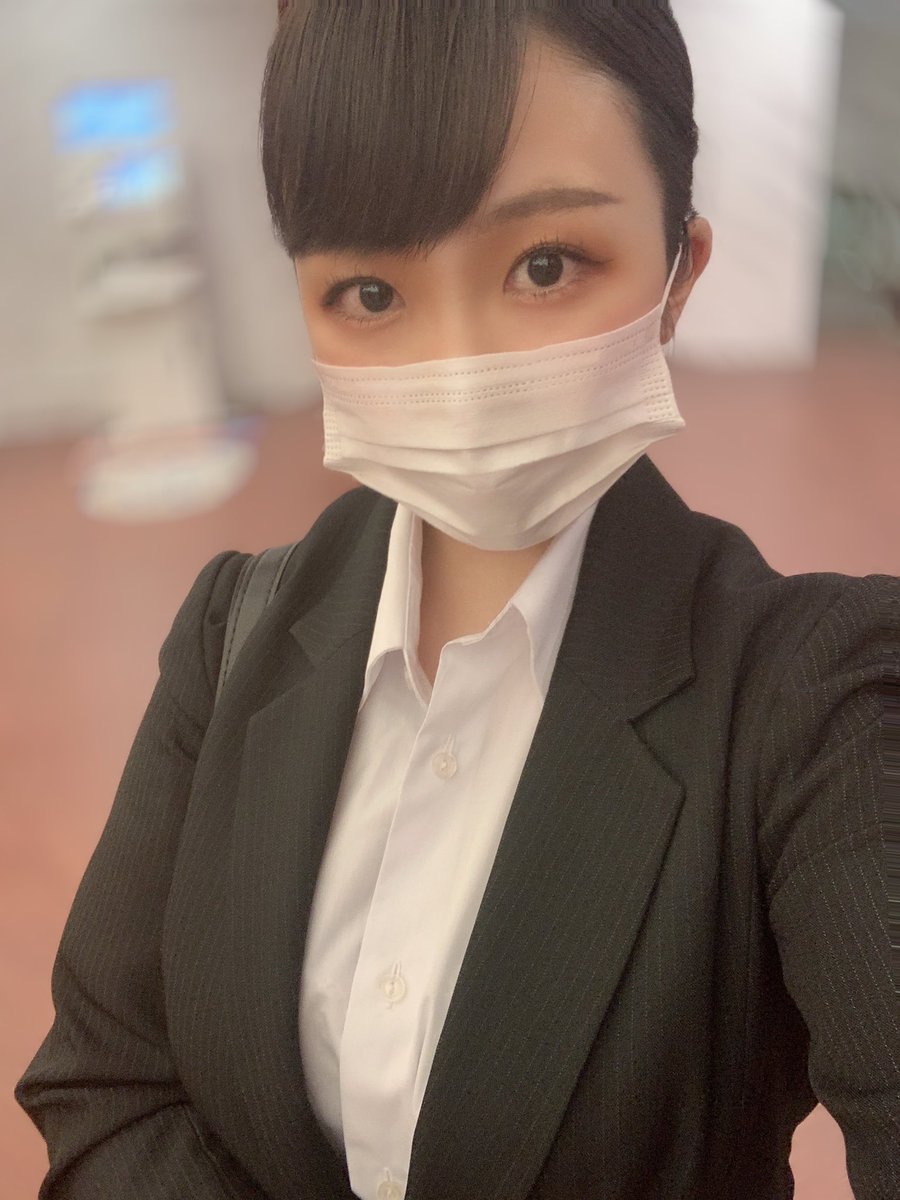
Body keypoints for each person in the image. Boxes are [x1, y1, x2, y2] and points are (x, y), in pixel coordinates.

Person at [15, 4, 900, 1199]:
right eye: (371, 292)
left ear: (678, 272)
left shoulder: (814, 698)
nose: (460, 371)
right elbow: (105, 1086)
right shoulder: (230, 633)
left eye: (546, 266)